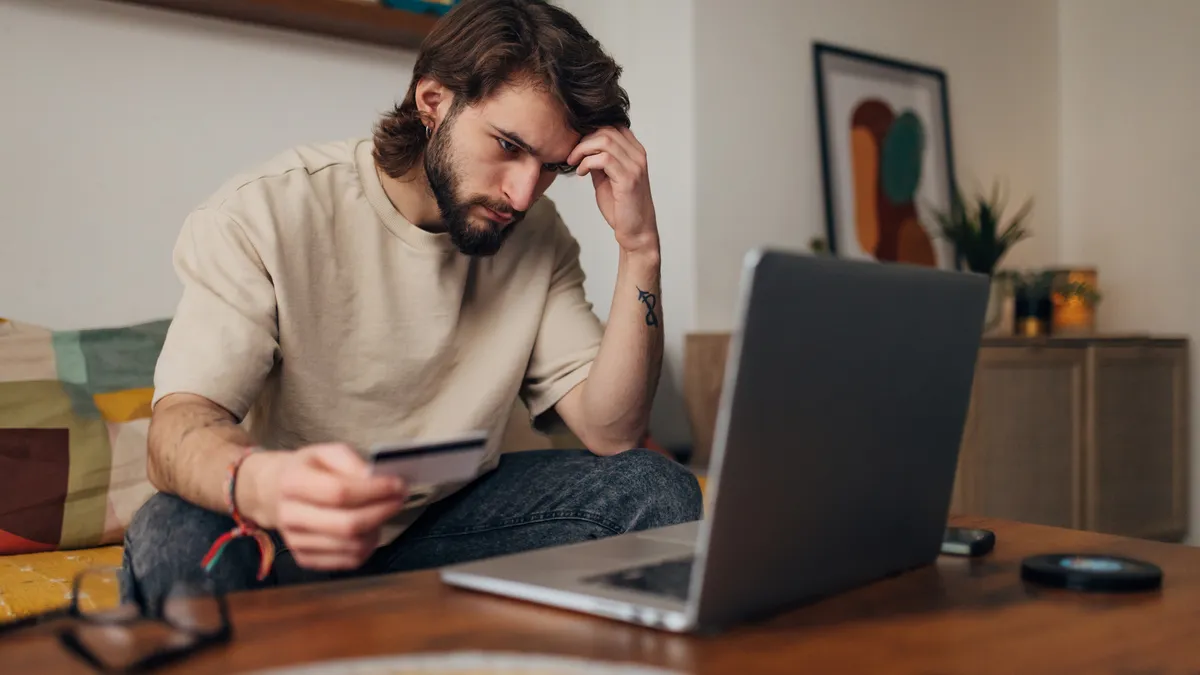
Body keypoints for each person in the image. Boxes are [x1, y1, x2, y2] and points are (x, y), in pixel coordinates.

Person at [122, 0, 703, 605]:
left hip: (449, 527)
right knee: (174, 532)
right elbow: (176, 433)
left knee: (655, 487)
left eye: (551, 166)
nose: (523, 192)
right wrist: (263, 484)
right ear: (434, 101)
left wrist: (639, 248)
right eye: (508, 145)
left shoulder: (538, 236)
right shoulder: (267, 212)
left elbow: (613, 433)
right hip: (296, 533)